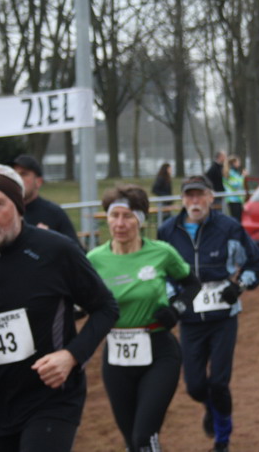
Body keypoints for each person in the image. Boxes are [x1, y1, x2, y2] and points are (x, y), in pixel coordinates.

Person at [0, 163, 119, 452]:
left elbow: (105, 308)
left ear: (17, 207)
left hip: (52, 397)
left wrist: (71, 356)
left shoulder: (56, 250)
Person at [86, 185, 201, 452]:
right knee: (131, 442)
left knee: (144, 437)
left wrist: (176, 309)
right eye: (114, 216)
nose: (120, 224)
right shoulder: (93, 260)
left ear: (140, 219)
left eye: (127, 216)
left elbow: (192, 285)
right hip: (116, 355)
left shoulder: (162, 252)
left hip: (159, 351)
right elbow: (81, 303)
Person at [157, 175, 259, 452]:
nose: (195, 201)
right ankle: (212, 408)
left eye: (200, 195)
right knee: (194, 386)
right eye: (189, 195)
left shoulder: (229, 228)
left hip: (223, 319)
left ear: (210, 197)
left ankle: (222, 440)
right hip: (190, 319)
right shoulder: (167, 231)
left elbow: (255, 262)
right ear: (182, 199)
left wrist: (239, 286)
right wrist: (174, 298)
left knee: (218, 382)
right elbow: (162, 272)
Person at [11, 154, 83, 250]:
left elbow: (77, 251)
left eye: (24, 174)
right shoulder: (6, 212)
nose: (17, 179)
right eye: (14, 175)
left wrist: (49, 239)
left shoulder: (54, 213)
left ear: (38, 182)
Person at [222, 155, 246, 222]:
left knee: (238, 218)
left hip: (237, 199)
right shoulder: (230, 173)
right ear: (234, 163)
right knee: (236, 219)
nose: (239, 163)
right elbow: (236, 185)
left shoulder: (234, 173)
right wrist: (243, 176)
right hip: (233, 199)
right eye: (238, 162)